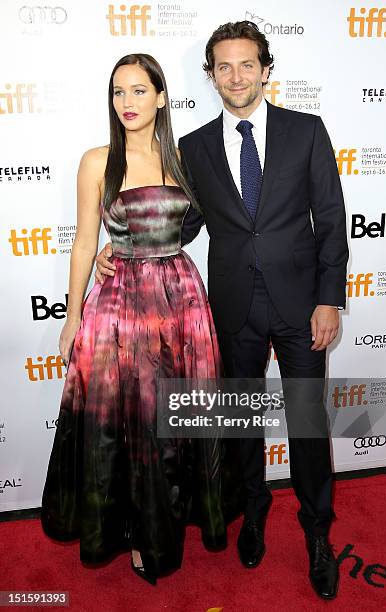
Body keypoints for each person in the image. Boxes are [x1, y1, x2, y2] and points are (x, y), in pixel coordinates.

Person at [96, 22, 349, 600]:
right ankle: (253, 517)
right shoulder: (196, 147)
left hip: (301, 307)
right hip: (231, 308)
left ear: (265, 69)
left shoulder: (306, 131)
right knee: (243, 426)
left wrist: (329, 298)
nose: (236, 76)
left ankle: (317, 534)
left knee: (308, 425)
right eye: (223, 67)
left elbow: (332, 221)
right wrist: (124, 241)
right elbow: (182, 225)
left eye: (246, 64)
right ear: (210, 76)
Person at [41, 53, 242, 586]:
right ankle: (135, 532)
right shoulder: (96, 160)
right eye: (117, 92)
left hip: (180, 303)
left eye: (137, 91)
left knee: (173, 422)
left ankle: (168, 524)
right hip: (120, 309)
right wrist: (71, 313)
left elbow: (198, 220)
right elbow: (85, 240)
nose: (126, 103)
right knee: (129, 424)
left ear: (160, 97)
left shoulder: (184, 158)